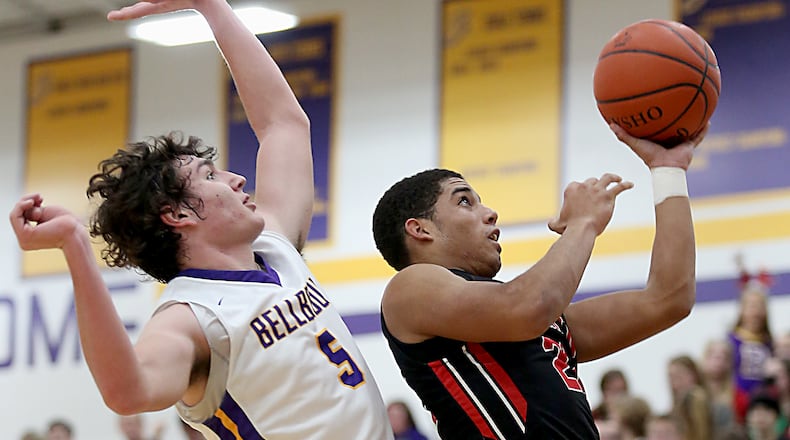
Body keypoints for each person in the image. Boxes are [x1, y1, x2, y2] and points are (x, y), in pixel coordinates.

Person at [9, 1, 391, 439]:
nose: (236, 178)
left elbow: (283, 123)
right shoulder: (188, 317)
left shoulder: (275, 246)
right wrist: (74, 246)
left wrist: (211, 7)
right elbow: (128, 392)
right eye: (209, 175)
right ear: (176, 214)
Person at [372, 118, 706, 439]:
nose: (489, 213)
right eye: (464, 201)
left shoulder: (533, 318)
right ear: (420, 229)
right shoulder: (409, 289)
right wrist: (582, 224)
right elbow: (527, 306)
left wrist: (668, 171)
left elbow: (668, 299)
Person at [730, 280, 774, 423]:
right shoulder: (732, 341)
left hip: (764, 404)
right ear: (742, 309)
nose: (755, 312)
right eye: (751, 306)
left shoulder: (770, 343)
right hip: (737, 402)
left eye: (760, 307)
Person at [667, 354, 714, 440]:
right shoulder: (672, 413)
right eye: (671, 377)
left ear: (693, 375)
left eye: (679, 376)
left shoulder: (712, 406)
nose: (675, 383)